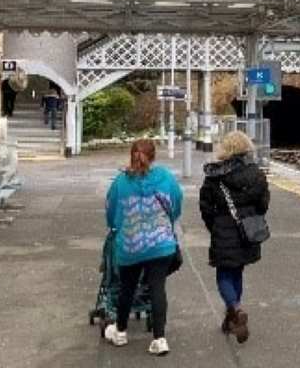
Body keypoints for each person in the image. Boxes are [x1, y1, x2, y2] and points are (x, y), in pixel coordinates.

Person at [104, 139, 183, 356]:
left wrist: (116, 227)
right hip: (161, 245)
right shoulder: (165, 177)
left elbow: (110, 213)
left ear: (132, 156)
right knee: (157, 288)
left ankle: (120, 332)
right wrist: (166, 224)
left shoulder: (120, 182)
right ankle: (159, 339)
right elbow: (176, 202)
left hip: (130, 246)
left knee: (127, 288)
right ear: (154, 156)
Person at [200, 131, 270, 344]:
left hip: (223, 228)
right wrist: (251, 217)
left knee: (223, 274)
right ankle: (232, 317)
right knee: (237, 271)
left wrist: (214, 226)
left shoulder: (214, 175)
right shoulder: (256, 174)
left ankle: (235, 308)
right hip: (247, 230)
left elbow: (205, 207)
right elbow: (263, 204)